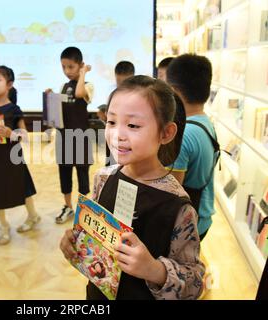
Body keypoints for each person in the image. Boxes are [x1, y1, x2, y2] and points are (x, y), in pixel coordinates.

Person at [60, 75, 204, 300]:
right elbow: (96, 238)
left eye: (133, 125)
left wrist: (154, 270)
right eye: (111, 122)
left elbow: (194, 284)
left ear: (166, 133)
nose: (118, 134)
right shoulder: (103, 178)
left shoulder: (177, 206)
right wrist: (76, 240)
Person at [0, 65, 39, 245]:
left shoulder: (14, 109)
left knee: (22, 187)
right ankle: (3, 226)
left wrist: (11, 133)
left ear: (9, 84)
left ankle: (33, 216)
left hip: (11, 158)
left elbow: (24, 136)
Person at [166, 54, 218, 241]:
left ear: (174, 91)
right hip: (202, 216)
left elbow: (170, 193)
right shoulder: (204, 122)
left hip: (188, 226)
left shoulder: (184, 134)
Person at [46, 47, 94, 224]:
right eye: (64, 67)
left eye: (71, 67)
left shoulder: (88, 85)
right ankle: (67, 206)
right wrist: (50, 98)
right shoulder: (62, 87)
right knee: (64, 174)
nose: (67, 71)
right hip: (63, 138)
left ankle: (84, 209)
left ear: (80, 66)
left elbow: (79, 93)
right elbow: (56, 113)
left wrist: (83, 74)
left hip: (80, 138)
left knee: (82, 174)